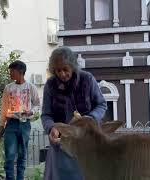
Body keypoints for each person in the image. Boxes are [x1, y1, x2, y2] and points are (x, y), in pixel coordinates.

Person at [41, 46, 107, 180]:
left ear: (73, 66)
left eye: (65, 69)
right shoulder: (50, 84)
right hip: (61, 144)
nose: (62, 74)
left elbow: (101, 104)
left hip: (86, 143)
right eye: (58, 70)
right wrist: (52, 127)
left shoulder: (87, 79)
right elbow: (46, 114)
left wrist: (89, 119)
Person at [0, 60, 40, 180]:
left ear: (20, 72)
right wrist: (2, 126)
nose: (10, 74)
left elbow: (38, 105)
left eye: (12, 71)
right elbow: (4, 108)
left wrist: (31, 111)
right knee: (10, 155)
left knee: (22, 155)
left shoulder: (31, 87)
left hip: (25, 124)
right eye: (10, 71)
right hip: (11, 124)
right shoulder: (8, 88)